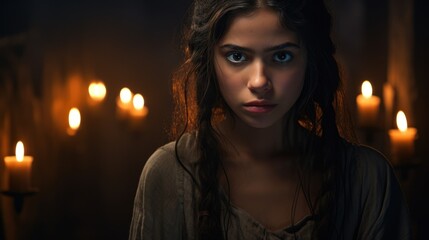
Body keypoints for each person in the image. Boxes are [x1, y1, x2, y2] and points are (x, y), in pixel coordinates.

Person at [129, 0, 411, 239]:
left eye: (282, 55)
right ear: (210, 61)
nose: (260, 81)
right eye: (237, 56)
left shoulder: (368, 181)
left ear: (310, 59)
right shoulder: (170, 175)